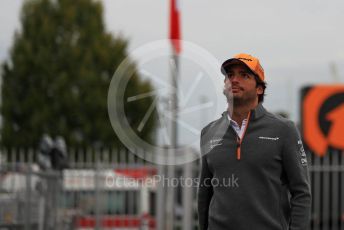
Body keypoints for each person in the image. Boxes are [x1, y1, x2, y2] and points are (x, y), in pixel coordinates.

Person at [197, 53, 311, 230]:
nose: (234, 80)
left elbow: (301, 193)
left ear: (259, 89)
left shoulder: (284, 129)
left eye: (244, 75)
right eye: (230, 75)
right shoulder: (209, 132)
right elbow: (205, 192)